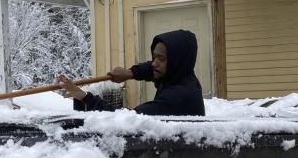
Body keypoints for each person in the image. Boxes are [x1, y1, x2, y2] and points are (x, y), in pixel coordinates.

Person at [57, 29, 205, 116]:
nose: (154, 63)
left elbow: (125, 118)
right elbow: (149, 68)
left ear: (177, 61)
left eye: (161, 58)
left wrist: (84, 96)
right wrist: (130, 73)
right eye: (154, 57)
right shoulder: (181, 74)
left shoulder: (178, 97)